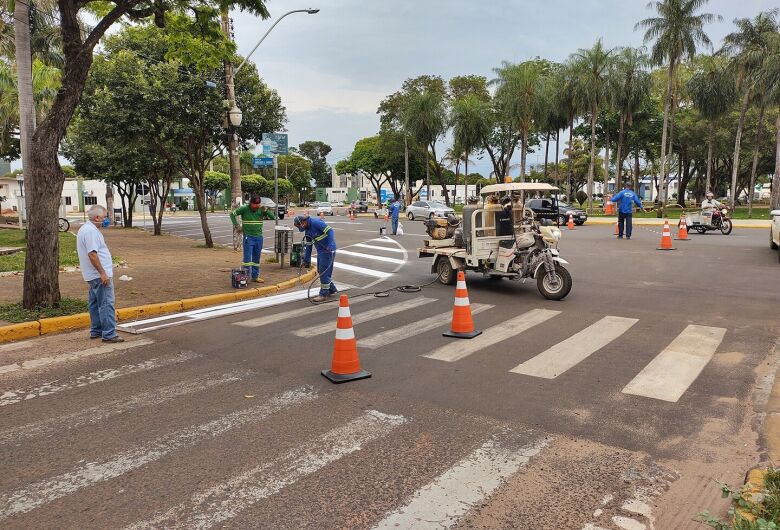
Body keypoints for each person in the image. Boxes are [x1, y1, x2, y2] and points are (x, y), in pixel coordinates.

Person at [77, 205, 123, 343]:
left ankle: (96, 330)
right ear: (97, 217)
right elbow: (92, 254)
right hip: (98, 275)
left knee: (95, 302)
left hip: (92, 275)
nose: (106, 220)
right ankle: (109, 334)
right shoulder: (90, 231)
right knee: (106, 303)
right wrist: (103, 273)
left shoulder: (86, 229)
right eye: (104, 217)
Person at [230, 196, 275, 283]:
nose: (255, 206)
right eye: (254, 205)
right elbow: (232, 214)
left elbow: (273, 217)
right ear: (250, 203)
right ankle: (245, 278)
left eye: (257, 205)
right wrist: (237, 225)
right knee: (247, 260)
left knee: (256, 259)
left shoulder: (261, 209)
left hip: (259, 238)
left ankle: (255, 277)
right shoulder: (244, 209)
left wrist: (265, 210)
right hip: (248, 237)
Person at [293, 214, 337, 302]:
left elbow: (330, 231)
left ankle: (323, 294)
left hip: (328, 250)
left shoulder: (316, 223)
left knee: (323, 272)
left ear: (303, 222)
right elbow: (309, 246)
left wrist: (329, 245)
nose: (300, 228)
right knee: (321, 271)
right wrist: (306, 260)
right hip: (321, 251)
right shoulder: (307, 230)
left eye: (299, 226)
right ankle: (332, 289)